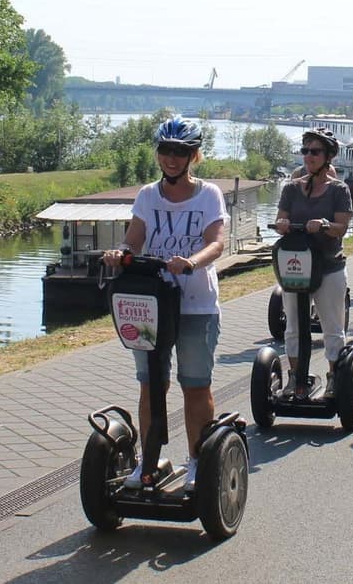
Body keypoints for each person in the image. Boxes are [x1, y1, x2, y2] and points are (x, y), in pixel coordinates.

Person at [100, 118, 227, 490]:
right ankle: (149, 462)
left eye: (181, 152)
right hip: (152, 303)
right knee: (151, 384)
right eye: (166, 150)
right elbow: (133, 241)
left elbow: (217, 241)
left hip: (196, 304)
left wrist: (192, 261)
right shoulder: (147, 195)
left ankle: (197, 461)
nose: (172, 159)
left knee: (195, 385)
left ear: (193, 156)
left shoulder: (209, 195)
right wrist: (119, 253)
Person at [274, 128, 353, 398]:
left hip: (328, 266)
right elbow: (280, 219)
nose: (309, 155)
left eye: (315, 151)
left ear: (328, 156)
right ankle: (295, 379)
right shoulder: (291, 188)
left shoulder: (339, 190)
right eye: (305, 150)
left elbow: (342, 227)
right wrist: (281, 225)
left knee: (332, 327)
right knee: (293, 326)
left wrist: (324, 225)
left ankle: (334, 379)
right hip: (295, 265)